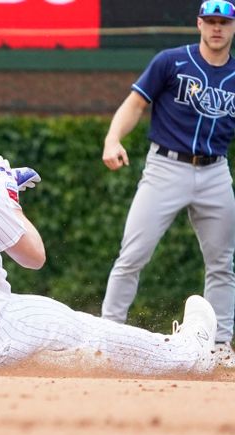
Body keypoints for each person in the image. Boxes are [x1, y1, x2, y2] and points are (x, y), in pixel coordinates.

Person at [0, 88, 218, 374]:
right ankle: (188, 355)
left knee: (59, 344)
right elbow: (34, 257)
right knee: (87, 328)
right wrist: (8, 197)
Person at [101, 0, 235, 366]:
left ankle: (221, 346)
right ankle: (107, 338)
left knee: (223, 264)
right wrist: (113, 139)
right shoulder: (171, 61)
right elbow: (134, 104)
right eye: (210, 21)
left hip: (215, 170)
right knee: (131, 256)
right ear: (199, 24)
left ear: (233, 26)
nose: (217, 28)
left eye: (223, 21)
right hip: (166, 167)